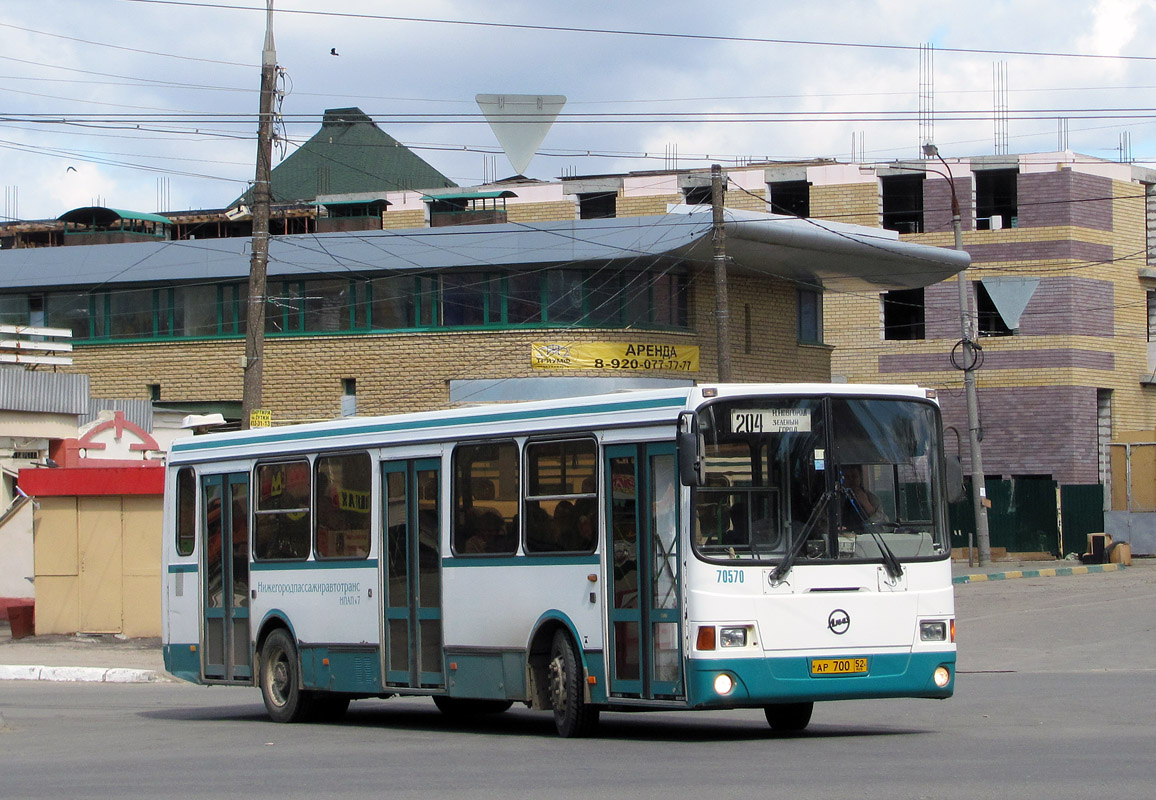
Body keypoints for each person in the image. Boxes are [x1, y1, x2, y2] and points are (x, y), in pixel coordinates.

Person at [840, 464, 885, 530]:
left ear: (860, 478)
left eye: (854, 476)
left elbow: (883, 527)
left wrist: (867, 505)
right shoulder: (835, 498)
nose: (851, 480)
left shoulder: (871, 498)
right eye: (847, 477)